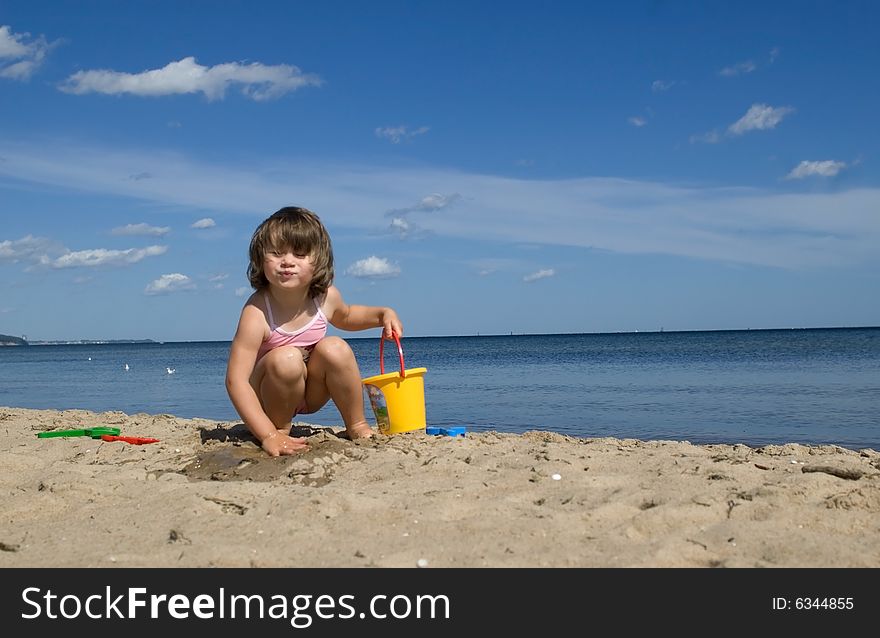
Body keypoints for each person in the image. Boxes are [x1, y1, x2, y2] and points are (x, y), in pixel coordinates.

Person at [225, 206, 403, 457]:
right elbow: (237, 381)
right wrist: (268, 435)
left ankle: (357, 425)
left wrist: (383, 314)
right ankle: (280, 430)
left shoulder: (325, 297)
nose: (287, 261)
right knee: (285, 358)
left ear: (318, 260)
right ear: (259, 258)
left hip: (311, 391)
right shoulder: (257, 312)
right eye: (276, 253)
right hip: (270, 396)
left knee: (336, 347)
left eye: (299, 253)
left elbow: (348, 316)